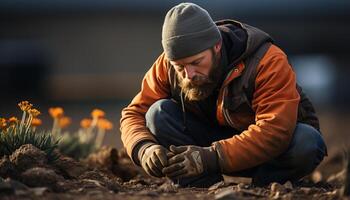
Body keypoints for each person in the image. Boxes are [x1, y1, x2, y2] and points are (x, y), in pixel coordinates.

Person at [120, 2, 327, 187]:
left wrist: (212, 157)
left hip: (266, 156)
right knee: (157, 113)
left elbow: (275, 130)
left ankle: (264, 186)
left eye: (196, 62)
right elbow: (134, 113)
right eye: (179, 66)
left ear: (216, 46)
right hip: (204, 155)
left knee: (307, 142)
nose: (189, 74)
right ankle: (202, 186)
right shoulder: (167, 65)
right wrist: (143, 148)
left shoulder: (268, 61)